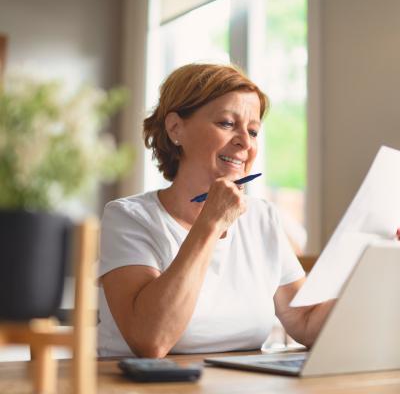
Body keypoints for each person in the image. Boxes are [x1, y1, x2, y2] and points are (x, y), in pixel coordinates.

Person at [97, 63, 334, 358]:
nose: (245, 142)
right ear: (175, 128)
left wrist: (378, 260)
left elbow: (306, 320)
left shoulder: (262, 218)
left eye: (253, 131)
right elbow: (151, 340)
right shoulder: (128, 218)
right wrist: (211, 222)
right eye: (226, 124)